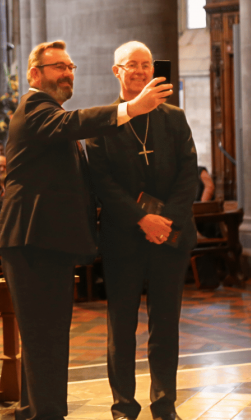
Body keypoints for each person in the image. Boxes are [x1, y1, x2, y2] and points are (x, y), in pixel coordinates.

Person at [0, 40, 171, 420]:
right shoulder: (34, 107)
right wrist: (131, 108)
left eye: (71, 66)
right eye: (58, 66)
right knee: (47, 337)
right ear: (34, 75)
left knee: (44, 336)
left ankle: (33, 412)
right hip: (33, 239)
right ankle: (47, 414)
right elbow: (74, 123)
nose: (68, 72)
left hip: (45, 241)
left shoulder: (49, 114)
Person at [86, 41, 198, 420]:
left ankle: (164, 403)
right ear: (116, 71)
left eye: (146, 64)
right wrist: (142, 218)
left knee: (166, 322)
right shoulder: (102, 121)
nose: (140, 70)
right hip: (124, 237)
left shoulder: (174, 117)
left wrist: (166, 221)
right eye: (131, 65)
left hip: (171, 235)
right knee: (122, 324)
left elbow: (189, 173)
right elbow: (101, 181)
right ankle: (123, 406)